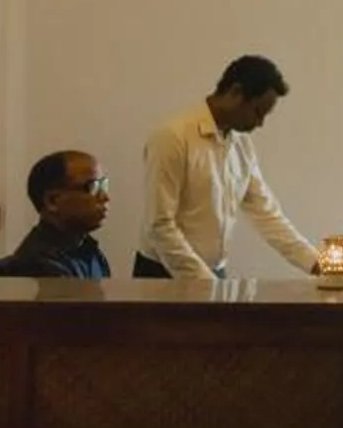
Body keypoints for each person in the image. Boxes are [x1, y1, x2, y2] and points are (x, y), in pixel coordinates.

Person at [135, 55, 321, 281]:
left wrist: (316, 263)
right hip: (163, 276)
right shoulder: (172, 138)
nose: (260, 123)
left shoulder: (242, 145)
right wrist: (208, 286)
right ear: (235, 92)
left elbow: (266, 213)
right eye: (257, 112)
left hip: (213, 275)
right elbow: (159, 225)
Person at [0, 150, 113, 279]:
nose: (105, 197)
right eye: (93, 187)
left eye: (104, 185)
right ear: (52, 201)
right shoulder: (40, 267)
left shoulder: (87, 249)